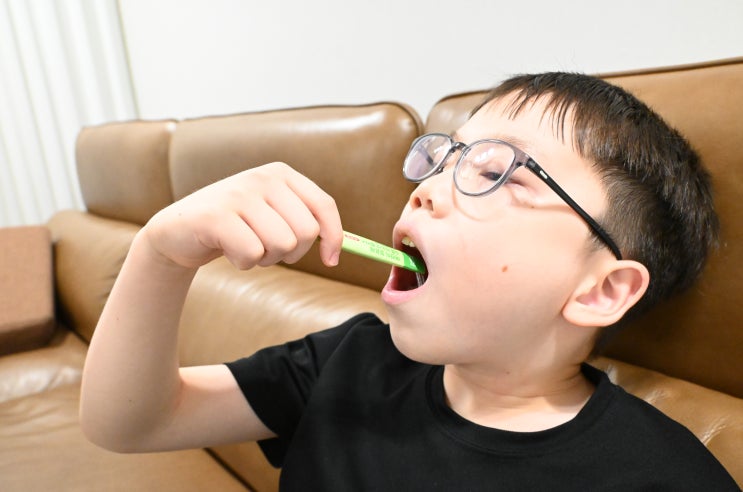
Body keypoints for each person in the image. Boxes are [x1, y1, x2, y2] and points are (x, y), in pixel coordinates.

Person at [79, 72, 738, 490]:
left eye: (495, 171)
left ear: (600, 290)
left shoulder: (661, 475)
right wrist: (160, 255)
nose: (425, 190)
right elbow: (130, 424)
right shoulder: (350, 360)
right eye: (443, 158)